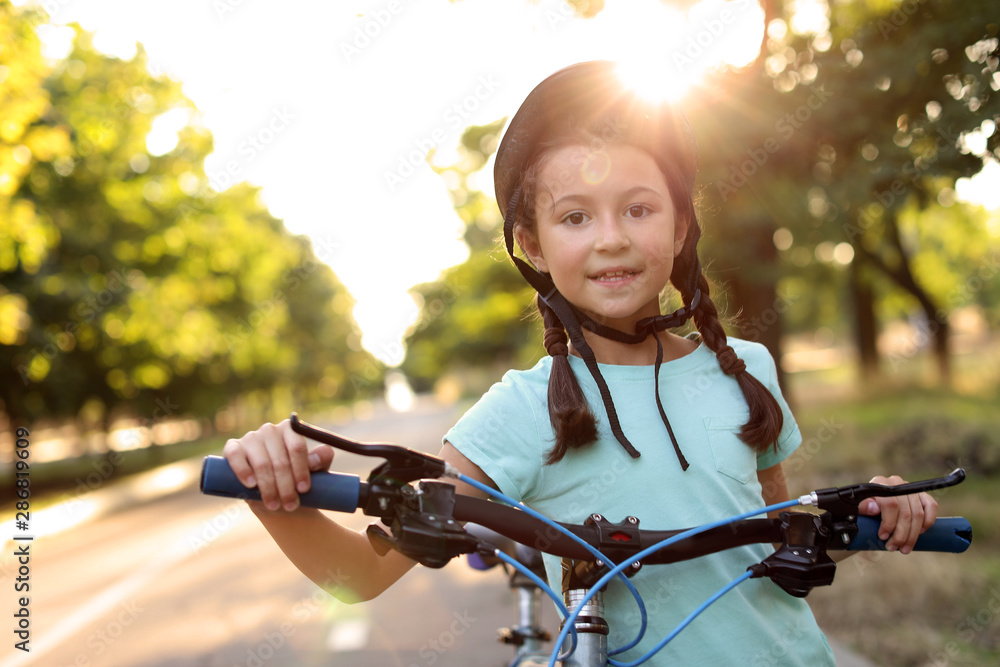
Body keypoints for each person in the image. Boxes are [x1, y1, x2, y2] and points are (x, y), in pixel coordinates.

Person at [222, 61, 939, 664]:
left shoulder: (744, 370)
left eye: (638, 208)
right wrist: (267, 484)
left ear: (681, 224)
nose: (611, 239)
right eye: (575, 217)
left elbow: (780, 544)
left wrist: (878, 510)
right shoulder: (516, 415)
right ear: (531, 243)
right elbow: (360, 574)